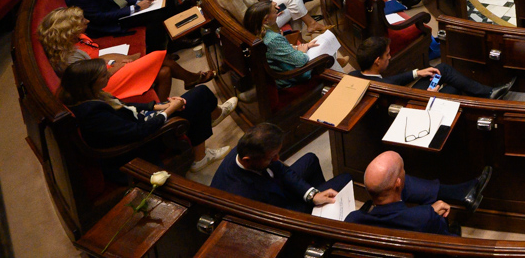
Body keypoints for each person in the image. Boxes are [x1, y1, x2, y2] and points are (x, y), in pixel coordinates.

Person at [60, 58, 233, 175]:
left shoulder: (89, 95)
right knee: (200, 95)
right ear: (89, 84)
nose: (109, 75)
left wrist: (159, 105)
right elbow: (139, 132)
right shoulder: (93, 114)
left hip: (144, 120)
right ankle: (200, 157)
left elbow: (124, 105)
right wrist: (169, 111)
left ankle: (215, 114)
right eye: (103, 76)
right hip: (147, 141)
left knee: (196, 98)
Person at [38, 6, 208, 102]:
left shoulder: (74, 40)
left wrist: (124, 60)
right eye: (82, 21)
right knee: (161, 56)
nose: (87, 21)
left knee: (165, 71)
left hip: (103, 72)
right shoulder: (69, 57)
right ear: (69, 30)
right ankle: (190, 78)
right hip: (102, 87)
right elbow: (92, 79)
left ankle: (163, 107)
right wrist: (120, 65)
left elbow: (96, 58)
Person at [211, 121, 351, 212]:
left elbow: (281, 170)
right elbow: (276, 217)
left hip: (277, 191)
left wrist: (312, 195)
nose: (277, 159)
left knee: (310, 160)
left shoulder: (247, 148)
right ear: (247, 160)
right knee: (345, 178)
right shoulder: (241, 195)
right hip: (281, 210)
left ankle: (323, 211)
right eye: (272, 157)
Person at [346, 151, 491, 235]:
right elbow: (447, 244)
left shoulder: (352, 220)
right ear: (398, 183)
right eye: (403, 171)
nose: (405, 173)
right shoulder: (425, 218)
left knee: (399, 182)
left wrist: (426, 212)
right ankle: (461, 193)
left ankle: (462, 193)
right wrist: (430, 214)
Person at [349, 36, 514, 99]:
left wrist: (416, 73)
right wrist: (429, 96)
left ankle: (489, 93)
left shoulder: (355, 75)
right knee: (453, 90)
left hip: (413, 94)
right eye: (387, 55)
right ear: (377, 61)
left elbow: (392, 80)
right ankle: (488, 94)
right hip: (417, 102)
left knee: (441, 69)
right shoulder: (384, 88)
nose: (390, 57)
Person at [243, 1, 317, 87]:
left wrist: (298, 47)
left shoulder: (252, 32)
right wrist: (303, 51)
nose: (277, 12)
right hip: (289, 78)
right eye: (274, 12)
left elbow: (278, 51)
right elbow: (301, 60)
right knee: (325, 54)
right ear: (266, 20)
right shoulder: (273, 39)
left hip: (273, 73)